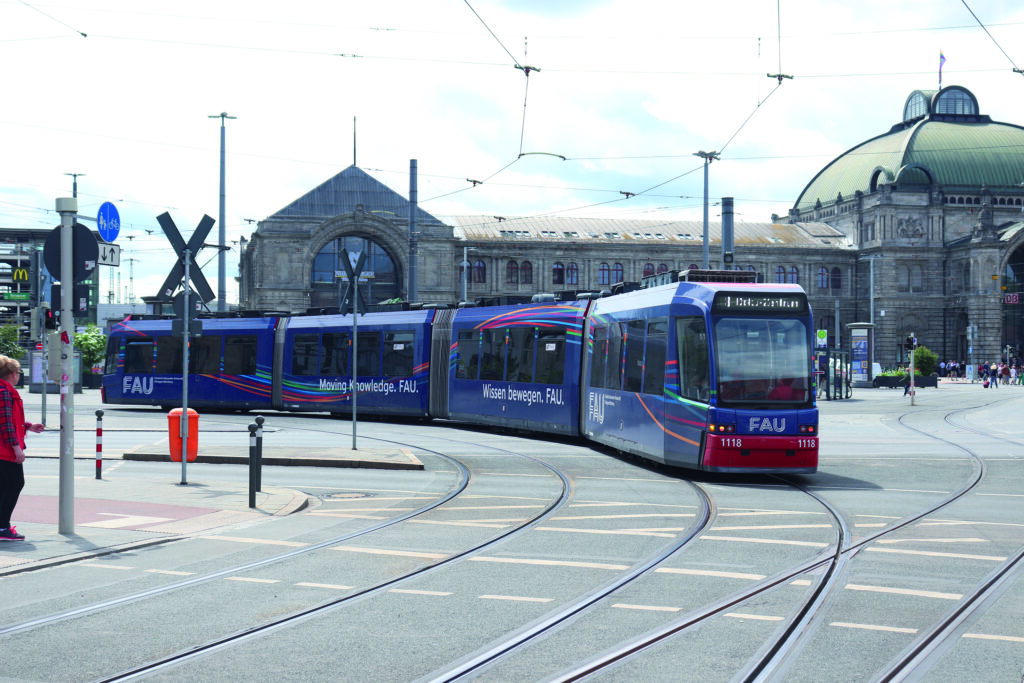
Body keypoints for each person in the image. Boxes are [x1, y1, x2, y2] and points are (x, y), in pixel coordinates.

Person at [0, 355, 44, 541]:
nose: (18, 376)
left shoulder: (4, 390)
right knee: (16, 483)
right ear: (12, 374)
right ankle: (3, 528)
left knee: (4, 486)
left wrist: (28, 426)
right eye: (18, 372)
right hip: (4, 450)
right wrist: (17, 447)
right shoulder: (4, 391)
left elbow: (9, 418)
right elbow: (5, 423)